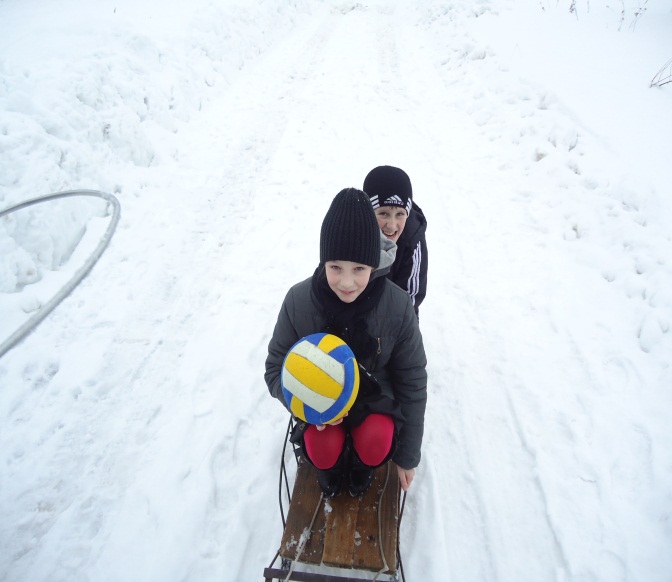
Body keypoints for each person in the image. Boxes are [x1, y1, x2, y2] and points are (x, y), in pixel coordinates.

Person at [265, 188, 428, 498]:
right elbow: (275, 368)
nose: (347, 282)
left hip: (374, 393)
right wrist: (306, 405)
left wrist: (407, 456)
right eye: (335, 267)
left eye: (359, 269)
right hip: (320, 401)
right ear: (323, 260)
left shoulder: (396, 305)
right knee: (321, 445)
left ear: (374, 265)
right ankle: (329, 471)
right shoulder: (299, 300)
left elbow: (412, 380)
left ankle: (360, 471)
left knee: (375, 439)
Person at [363, 165, 428, 317]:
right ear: (368, 212)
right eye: (383, 213)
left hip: (394, 316)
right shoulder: (353, 231)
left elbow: (410, 298)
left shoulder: (412, 240)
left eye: (399, 214)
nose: (392, 225)